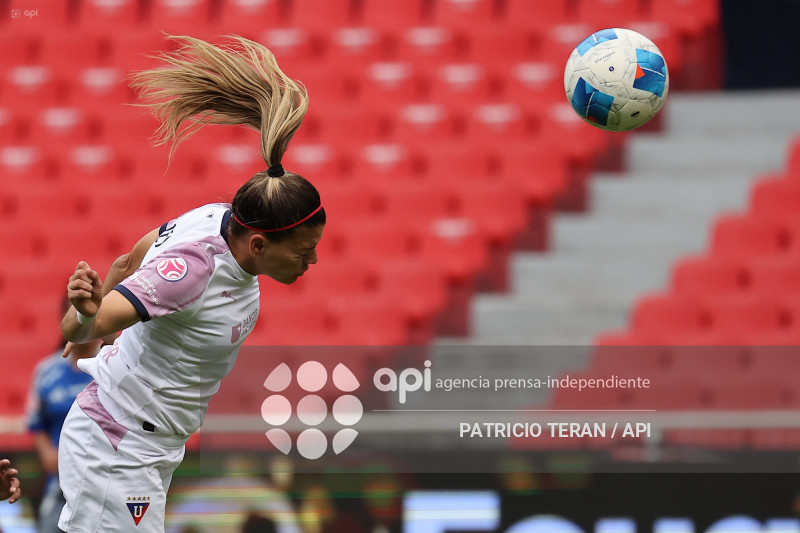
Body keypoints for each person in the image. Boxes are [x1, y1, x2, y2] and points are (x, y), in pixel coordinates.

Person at [57, 35, 325, 533]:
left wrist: (96, 333)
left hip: (148, 443)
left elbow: (126, 260)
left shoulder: (216, 215)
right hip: (120, 443)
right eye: (304, 251)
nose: (312, 260)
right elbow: (89, 321)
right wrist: (89, 322)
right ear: (260, 245)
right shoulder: (194, 272)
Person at [26, 319, 94, 533]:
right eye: (73, 312)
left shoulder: (112, 367)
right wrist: (49, 455)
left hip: (103, 486)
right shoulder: (47, 371)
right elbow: (36, 423)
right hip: (58, 490)